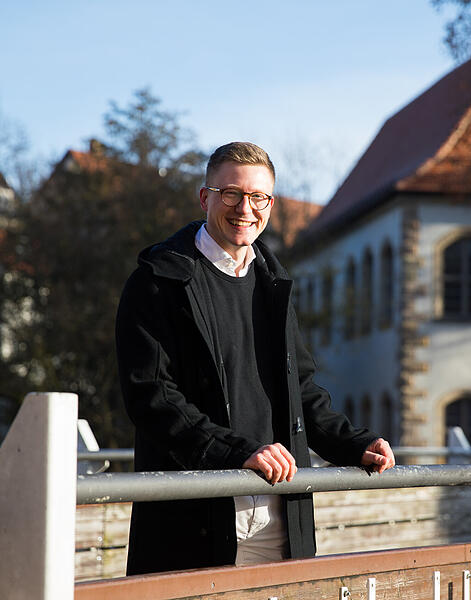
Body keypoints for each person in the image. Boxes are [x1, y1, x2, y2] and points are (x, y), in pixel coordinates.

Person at [116, 141, 395, 576]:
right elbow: (152, 398)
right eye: (232, 193)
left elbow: (299, 391)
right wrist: (238, 452)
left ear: (270, 203)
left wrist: (353, 444)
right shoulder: (157, 282)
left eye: (258, 197)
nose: (245, 208)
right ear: (206, 198)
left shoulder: (272, 282)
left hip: (280, 516)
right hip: (197, 517)